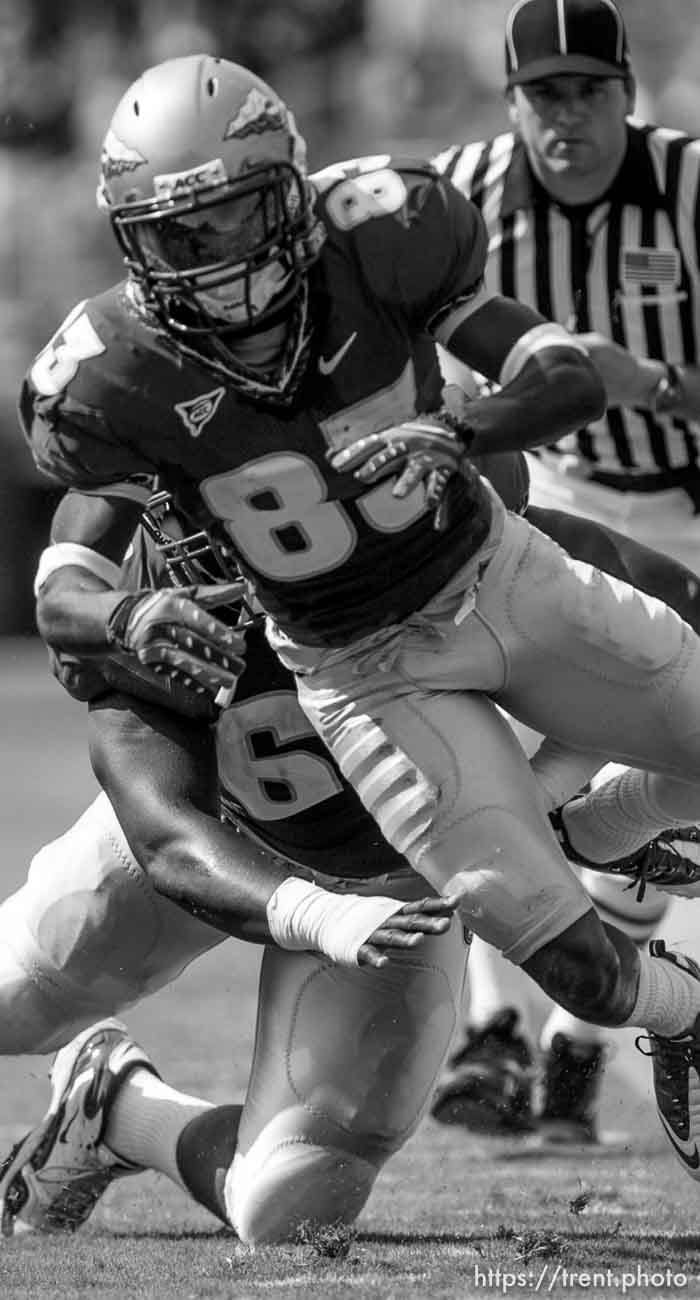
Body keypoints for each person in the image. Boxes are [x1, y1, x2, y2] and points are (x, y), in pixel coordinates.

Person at [0, 483, 700, 1247]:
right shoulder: (177, 621)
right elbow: (172, 840)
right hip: (236, 844)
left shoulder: (472, 540)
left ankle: (115, 1107)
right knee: (5, 994)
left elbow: (653, 625)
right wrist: (314, 913)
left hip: (397, 886)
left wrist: (618, 797)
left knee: (290, 1204)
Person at [21, 52, 700, 1184]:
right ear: (134, 244)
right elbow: (64, 584)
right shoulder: (112, 377)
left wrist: (463, 434)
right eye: (183, 236)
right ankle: (684, 1011)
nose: (224, 265)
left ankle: (592, 827)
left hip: (498, 574)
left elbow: (562, 375)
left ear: (289, 192)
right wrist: (127, 618)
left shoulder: (383, 236)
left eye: (239, 216)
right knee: (576, 971)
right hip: (360, 674)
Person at [429, 0, 700, 1144]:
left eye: (589, 91)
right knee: (490, 734)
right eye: (545, 94)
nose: (568, 116)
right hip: (555, 497)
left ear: (628, 95)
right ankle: (500, 1037)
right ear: (511, 104)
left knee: (657, 765)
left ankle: (583, 1040)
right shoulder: (459, 194)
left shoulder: (692, 187)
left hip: (691, 495)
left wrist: (655, 386)